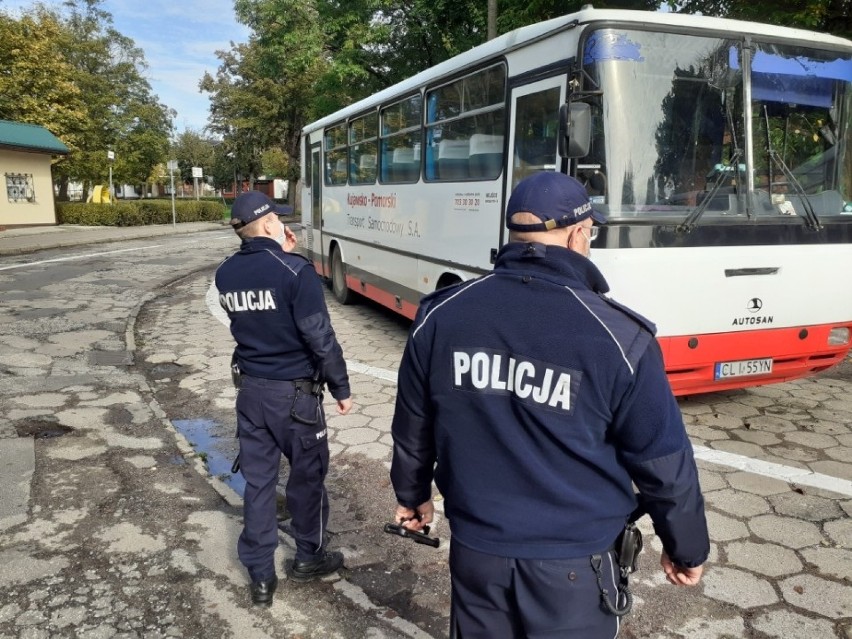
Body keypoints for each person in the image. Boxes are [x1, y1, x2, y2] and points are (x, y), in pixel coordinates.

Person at [389, 172, 709, 638]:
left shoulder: (443, 314)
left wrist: (412, 494)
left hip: (478, 553)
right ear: (580, 233)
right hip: (574, 567)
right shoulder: (618, 338)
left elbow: (413, 422)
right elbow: (663, 462)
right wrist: (687, 548)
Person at [216, 191, 352, 607]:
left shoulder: (225, 273)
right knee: (307, 478)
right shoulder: (295, 271)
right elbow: (319, 336)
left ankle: (260, 576)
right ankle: (308, 557)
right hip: (295, 398)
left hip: (251, 392)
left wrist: (284, 257)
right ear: (273, 224)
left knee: (258, 484)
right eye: (277, 218)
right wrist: (340, 386)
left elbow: (256, 315)